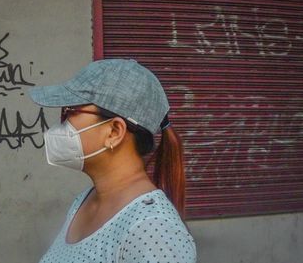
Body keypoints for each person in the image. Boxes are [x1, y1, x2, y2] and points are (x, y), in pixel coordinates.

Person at [28, 59, 197, 263]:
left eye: (71, 110)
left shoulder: (153, 228)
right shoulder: (83, 201)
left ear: (114, 132)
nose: (61, 124)